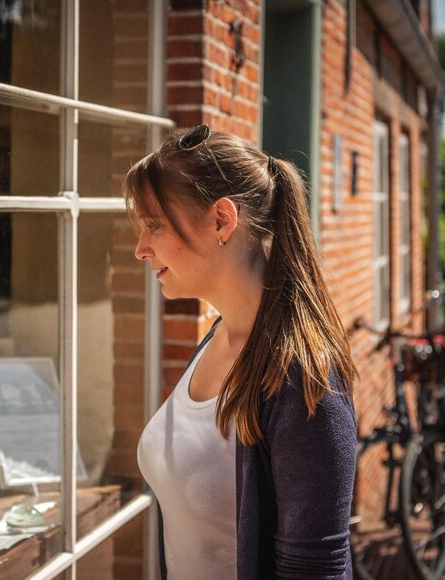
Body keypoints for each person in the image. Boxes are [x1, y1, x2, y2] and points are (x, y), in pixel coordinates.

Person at [127, 125, 357, 579]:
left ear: (222, 220)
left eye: (153, 226)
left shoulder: (304, 378)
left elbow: (315, 569)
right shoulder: (217, 337)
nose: (140, 250)